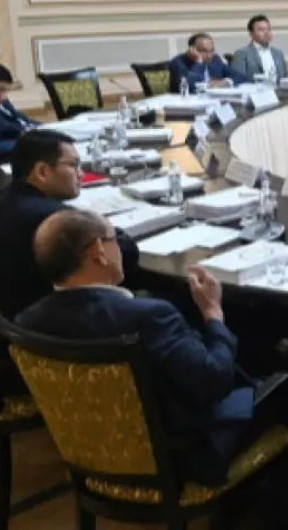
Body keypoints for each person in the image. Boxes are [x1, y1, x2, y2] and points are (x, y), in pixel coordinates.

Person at [18, 210, 270, 487]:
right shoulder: (149, 317)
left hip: (91, 454)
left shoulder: (27, 323)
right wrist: (213, 313)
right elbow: (215, 379)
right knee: (286, 390)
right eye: (116, 238)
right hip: (180, 461)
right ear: (98, 251)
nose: (120, 246)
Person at [0, 130, 139, 321]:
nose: (81, 174)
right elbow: (125, 255)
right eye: (73, 165)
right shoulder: (55, 221)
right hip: (60, 324)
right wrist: (111, 232)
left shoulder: (7, 200)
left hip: (15, 326)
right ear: (42, 172)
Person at [167, 32, 245, 93]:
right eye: (204, 51)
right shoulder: (178, 63)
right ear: (192, 50)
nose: (209, 55)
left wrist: (225, 82)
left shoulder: (215, 59)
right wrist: (199, 63)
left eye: (211, 51)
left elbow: (240, 76)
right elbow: (190, 87)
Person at [230, 14, 288, 82]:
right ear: (251, 34)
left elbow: (286, 78)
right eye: (261, 30)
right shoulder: (241, 54)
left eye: (269, 29)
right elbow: (238, 80)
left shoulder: (278, 53)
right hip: (253, 88)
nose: (266, 32)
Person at [0, 64, 38, 159]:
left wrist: (48, 128)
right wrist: (30, 140)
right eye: (1, 90)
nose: (4, 96)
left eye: (5, 90)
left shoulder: (4, 102)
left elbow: (22, 120)